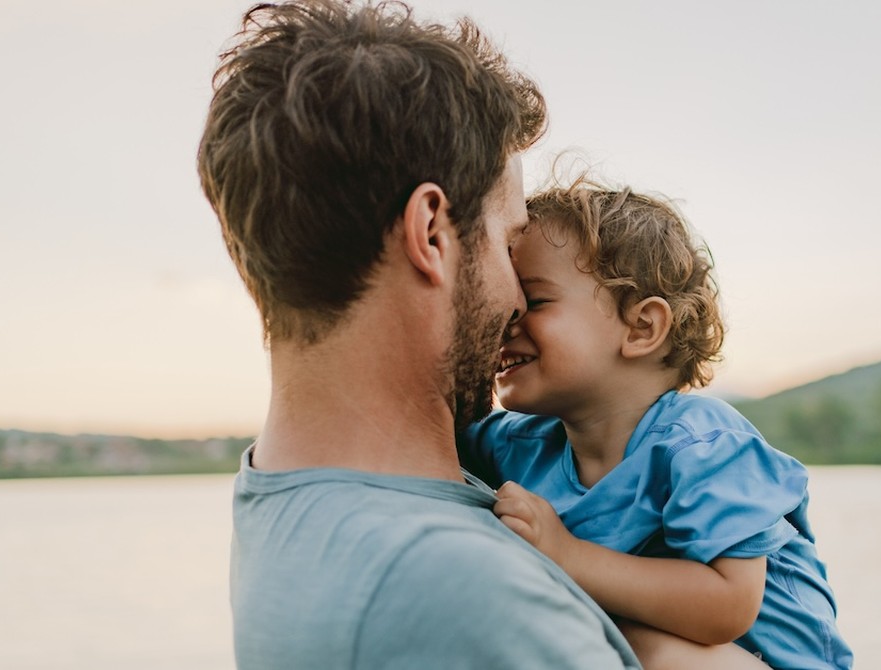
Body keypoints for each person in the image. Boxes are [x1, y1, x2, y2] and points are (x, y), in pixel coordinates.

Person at [196, 2, 640, 668]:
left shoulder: (280, 491)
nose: (519, 295)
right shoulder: (465, 594)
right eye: (508, 241)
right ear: (431, 232)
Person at [461, 173, 854, 669]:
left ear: (643, 327)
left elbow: (728, 606)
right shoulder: (517, 445)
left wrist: (567, 555)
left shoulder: (704, 443)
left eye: (534, 301)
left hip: (769, 662)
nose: (506, 317)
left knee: (628, 643)